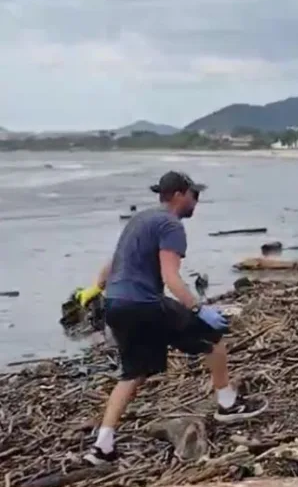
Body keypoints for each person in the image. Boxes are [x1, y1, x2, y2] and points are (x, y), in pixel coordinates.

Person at [72, 171, 267, 465]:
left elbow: (114, 261)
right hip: (145, 303)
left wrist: (95, 288)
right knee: (214, 340)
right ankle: (227, 405)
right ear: (179, 195)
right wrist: (198, 309)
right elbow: (171, 277)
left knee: (132, 374)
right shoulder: (170, 224)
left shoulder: (139, 221)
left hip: (116, 304)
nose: (196, 201)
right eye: (194, 195)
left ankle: (103, 446)